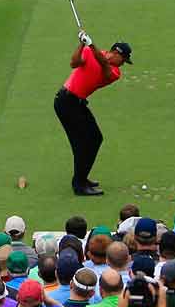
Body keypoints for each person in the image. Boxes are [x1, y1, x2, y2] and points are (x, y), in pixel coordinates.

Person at [54, 30, 132, 197]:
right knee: (83, 143)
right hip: (66, 101)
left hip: (76, 103)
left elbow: (104, 66)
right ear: (116, 53)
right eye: (123, 59)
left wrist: (90, 44)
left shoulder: (115, 72)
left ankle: (81, 178)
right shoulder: (90, 52)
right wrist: (82, 43)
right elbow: (74, 63)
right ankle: (79, 184)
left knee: (95, 138)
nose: (123, 64)